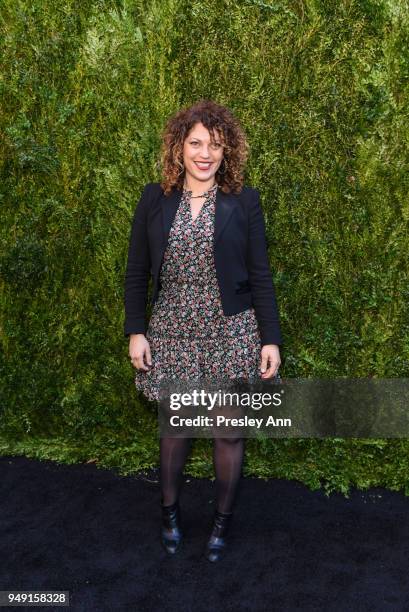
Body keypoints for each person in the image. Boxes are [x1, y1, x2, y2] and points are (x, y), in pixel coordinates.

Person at [124, 99, 283, 562]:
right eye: (196, 143)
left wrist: (269, 338)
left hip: (231, 332)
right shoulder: (154, 199)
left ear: (226, 151)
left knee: (227, 433)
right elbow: (137, 273)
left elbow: (261, 275)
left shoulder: (243, 202)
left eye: (215, 145)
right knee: (175, 430)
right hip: (171, 330)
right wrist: (137, 330)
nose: (204, 153)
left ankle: (221, 524)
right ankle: (169, 514)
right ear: (179, 147)